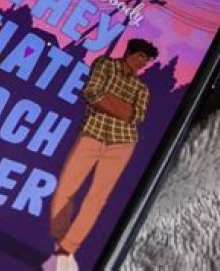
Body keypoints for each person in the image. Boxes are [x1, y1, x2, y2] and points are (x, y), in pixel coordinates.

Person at [44, 39, 157, 271]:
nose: (142, 63)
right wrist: (121, 109)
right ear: (129, 52)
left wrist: (108, 102)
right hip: (92, 134)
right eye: (140, 57)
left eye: (146, 61)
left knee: (97, 198)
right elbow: (92, 93)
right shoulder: (105, 65)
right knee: (66, 188)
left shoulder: (142, 89)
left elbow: (136, 116)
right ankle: (59, 244)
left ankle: (66, 250)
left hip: (123, 143)